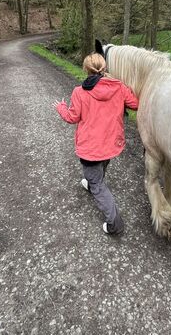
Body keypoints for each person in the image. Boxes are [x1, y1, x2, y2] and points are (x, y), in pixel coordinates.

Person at [53, 53, 139, 235]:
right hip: (112, 143)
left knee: (97, 183)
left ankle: (114, 224)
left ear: (86, 70)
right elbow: (135, 103)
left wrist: (60, 107)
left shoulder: (79, 92)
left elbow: (72, 117)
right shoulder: (119, 87)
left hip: (91, 148)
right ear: (104, 68)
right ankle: (92, 183)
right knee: (100, 166)